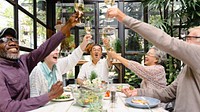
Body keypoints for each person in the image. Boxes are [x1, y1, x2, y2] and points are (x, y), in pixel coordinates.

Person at [107, 7, 200, 112]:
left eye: (195, 37)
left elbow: (165, 41)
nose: (187, 40)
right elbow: (167, 94)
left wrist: (123, 17)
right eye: (187, 37)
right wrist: (137, 93)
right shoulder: (187, 68)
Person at [0, 12, 79, 112]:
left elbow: (44, 48)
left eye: (14, 39)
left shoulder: (23, 61)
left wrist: (68, 25)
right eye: (5, 40)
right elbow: (7, 108)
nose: (12, 42)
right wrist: (49, 96)